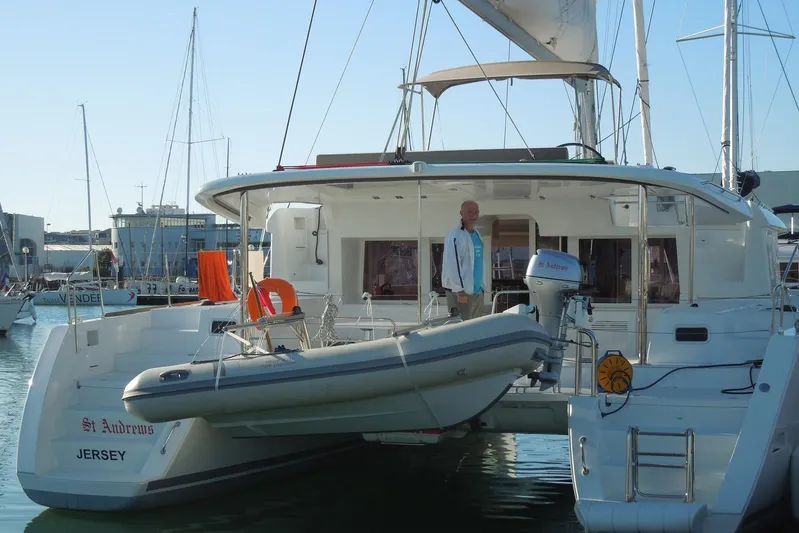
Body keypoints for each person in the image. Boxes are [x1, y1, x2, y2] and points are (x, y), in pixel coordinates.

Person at [442, 200, 485, 320]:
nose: (473, 215)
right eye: (469, 212)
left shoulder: (477, 234)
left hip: (477, 291)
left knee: (477, 327)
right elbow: (452, 263)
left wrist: (481, 287)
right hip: (461, 293)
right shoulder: (455, 235)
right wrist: (459, 290)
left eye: (476, 212)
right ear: (461, 213)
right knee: (462, 329)